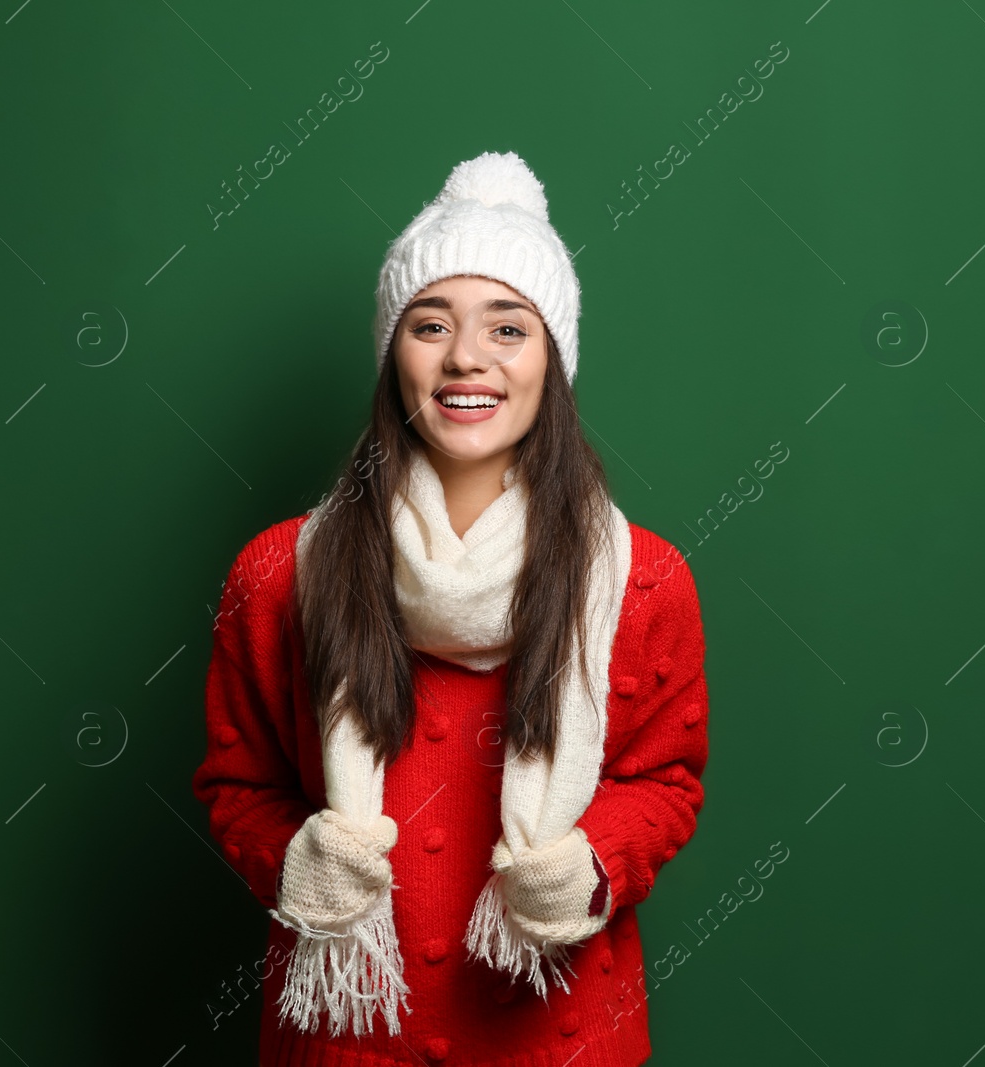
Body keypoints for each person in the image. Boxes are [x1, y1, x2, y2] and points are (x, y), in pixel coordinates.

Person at [192, 150, 710, 1067]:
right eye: (431, 324)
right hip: (344, 1043)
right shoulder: (279, 574)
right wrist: (292, 861)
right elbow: (238, 789)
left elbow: (666, 781)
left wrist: (592, 863)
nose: (467, 356)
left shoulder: (642, 578)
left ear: (554, 356)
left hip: (557, 1040)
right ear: (393, 354)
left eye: (508, 328)